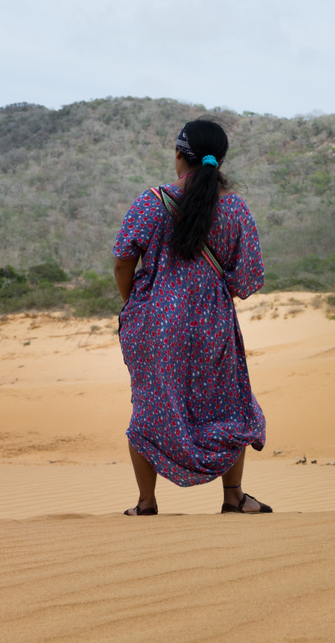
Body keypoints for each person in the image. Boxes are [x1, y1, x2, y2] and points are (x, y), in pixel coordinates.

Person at [112, 119, 271, 515]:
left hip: (151, 324)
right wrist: (211, 294)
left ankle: (146, 503)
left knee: (150, 406)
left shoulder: (152, 201)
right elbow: (250, 275)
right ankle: (233, 497)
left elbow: (122, 261)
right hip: (212, 324)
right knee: (229, 406)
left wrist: (137, 304)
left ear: (180, 155)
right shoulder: (234, 207)